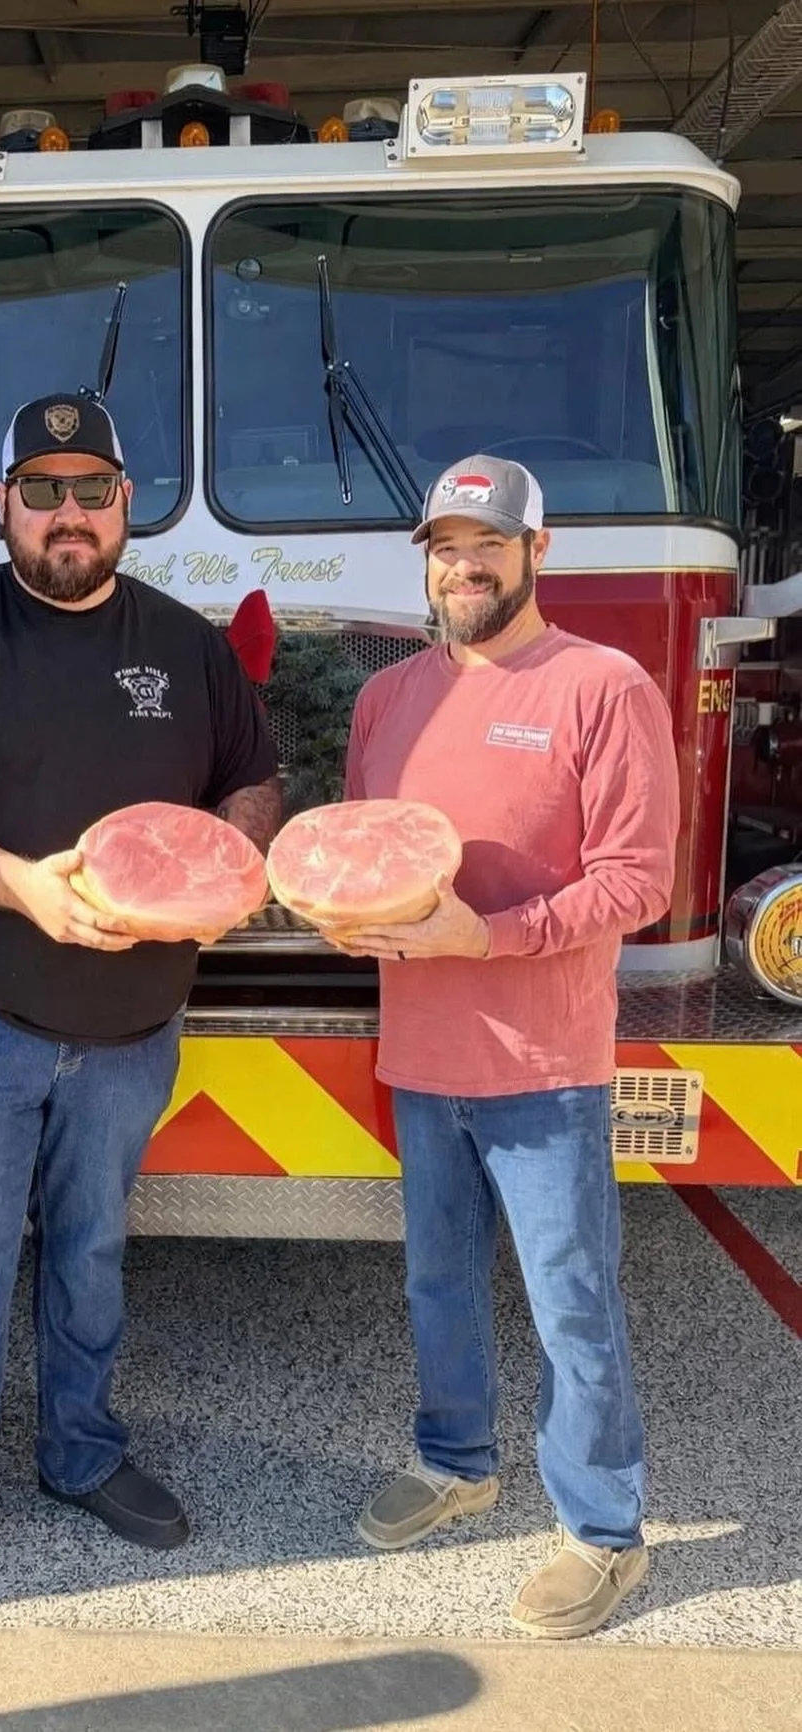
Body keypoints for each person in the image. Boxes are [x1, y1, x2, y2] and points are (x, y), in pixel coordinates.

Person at [0, 393, 282, 1626]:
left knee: (88, 1260)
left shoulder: (185, 645)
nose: (67, 513)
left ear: (128, 504)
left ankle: (80, 1454)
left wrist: (230, 867)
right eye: (42, 490)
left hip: (134, 1029)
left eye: (91, 489)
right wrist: (16, 882)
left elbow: (251, 778)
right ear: (4, 505)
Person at [332, 455, 677, 1639]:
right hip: (420, 1056)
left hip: (544, 1065)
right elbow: (370, 851)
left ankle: (605, 1530)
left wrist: (489, 933)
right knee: (437, 1283)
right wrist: (349, 915)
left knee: (570, 1300)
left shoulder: (603, 685)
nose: (462, 563)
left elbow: (640, 878)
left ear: (538, 550)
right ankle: (456, 1460)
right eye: (443, 544)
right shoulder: (389, 700)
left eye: (487, 541)